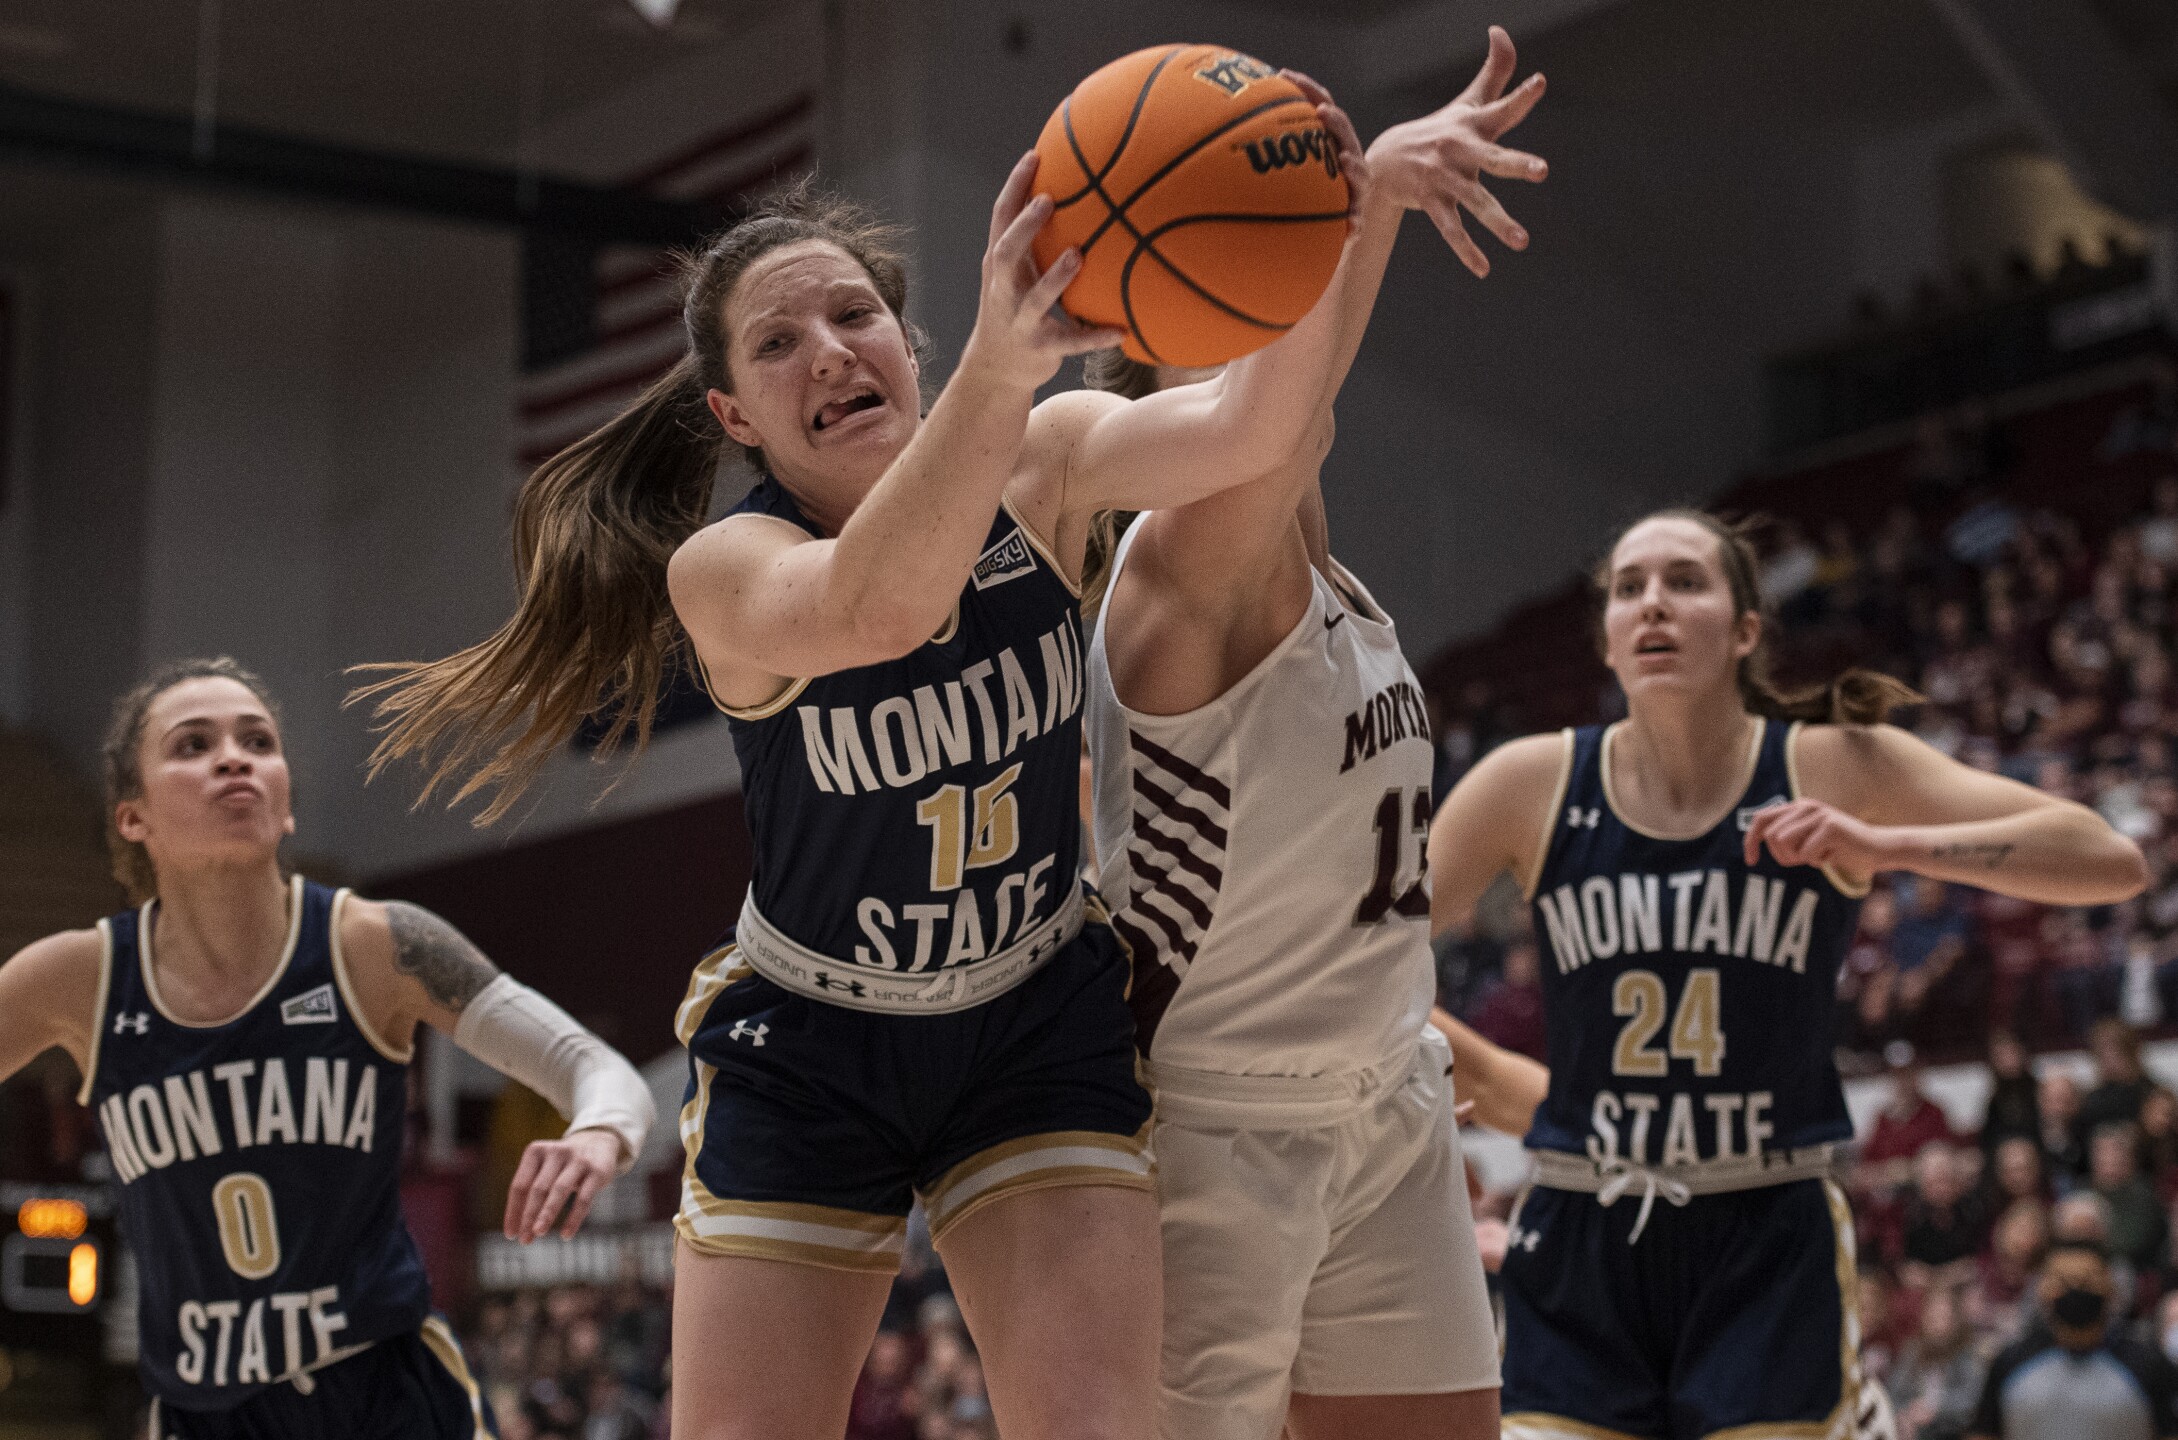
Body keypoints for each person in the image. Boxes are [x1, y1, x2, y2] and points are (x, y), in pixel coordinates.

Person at [352, 55, 1496, 1440]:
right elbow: (881, 607)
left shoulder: (1050, 456)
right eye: (778, 346)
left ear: (907, 338)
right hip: (814, 1040)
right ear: (733, 417)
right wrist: (1007, 370)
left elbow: (1259, 428)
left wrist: (1354, 205)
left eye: (854, 315)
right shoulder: (728, 565)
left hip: (1028, 1019)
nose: (830, 352)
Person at [1426, 509, 2148, 1440]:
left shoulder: (1828, 765)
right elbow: (1355, 953)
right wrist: (1478, 1075)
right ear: (1605, 639)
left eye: (1685, 581)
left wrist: (1889, 842)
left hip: (1763, 1223)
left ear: (1746, 629)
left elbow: (2105, 857)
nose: (1653, 604)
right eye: (1629, 588)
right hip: (1582, 1224)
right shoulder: (1530, 781)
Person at [1080, 30, 1547, 1439]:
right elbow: (1272, 427)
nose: (1276, 359)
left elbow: (1296, 422)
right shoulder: (1173, 570)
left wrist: (1353, 208)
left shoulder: (1332, 588)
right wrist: (1363, 205)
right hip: (1212, 1132)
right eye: (1240, 318)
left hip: (1390, 1099)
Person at [0, 658, 655, 1438]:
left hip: (386, 1395)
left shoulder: (376, 947)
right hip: (204, 1410)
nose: (233, 757)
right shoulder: (79, 978)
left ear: (285, 807)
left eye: (257, 740)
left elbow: (596, 1067)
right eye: (192, 745)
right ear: (131, 816)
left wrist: (598, 1131)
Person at [1968, 1239, 2178, 1440]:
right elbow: (1984, 1432)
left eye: (2088, 1280)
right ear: (2042, 1289)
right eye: (2063, 1281)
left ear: (2111, 1287)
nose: (2075, 1288)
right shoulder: (2009, 1363)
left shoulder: (2148, 1366)